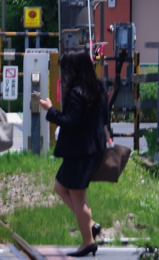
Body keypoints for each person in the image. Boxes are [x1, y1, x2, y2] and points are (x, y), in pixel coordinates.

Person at [39, 48, 108, 257]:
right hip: (92, 148)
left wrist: (50, 110)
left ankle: (88, 242)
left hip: (80, 152)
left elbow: (69, 122)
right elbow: (104, 118)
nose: (64, 72)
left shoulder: (76, 93)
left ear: (74, 69)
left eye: (66, 68)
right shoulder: (98, 88)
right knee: (61, 187)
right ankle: (92, 225)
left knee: (78, 198)